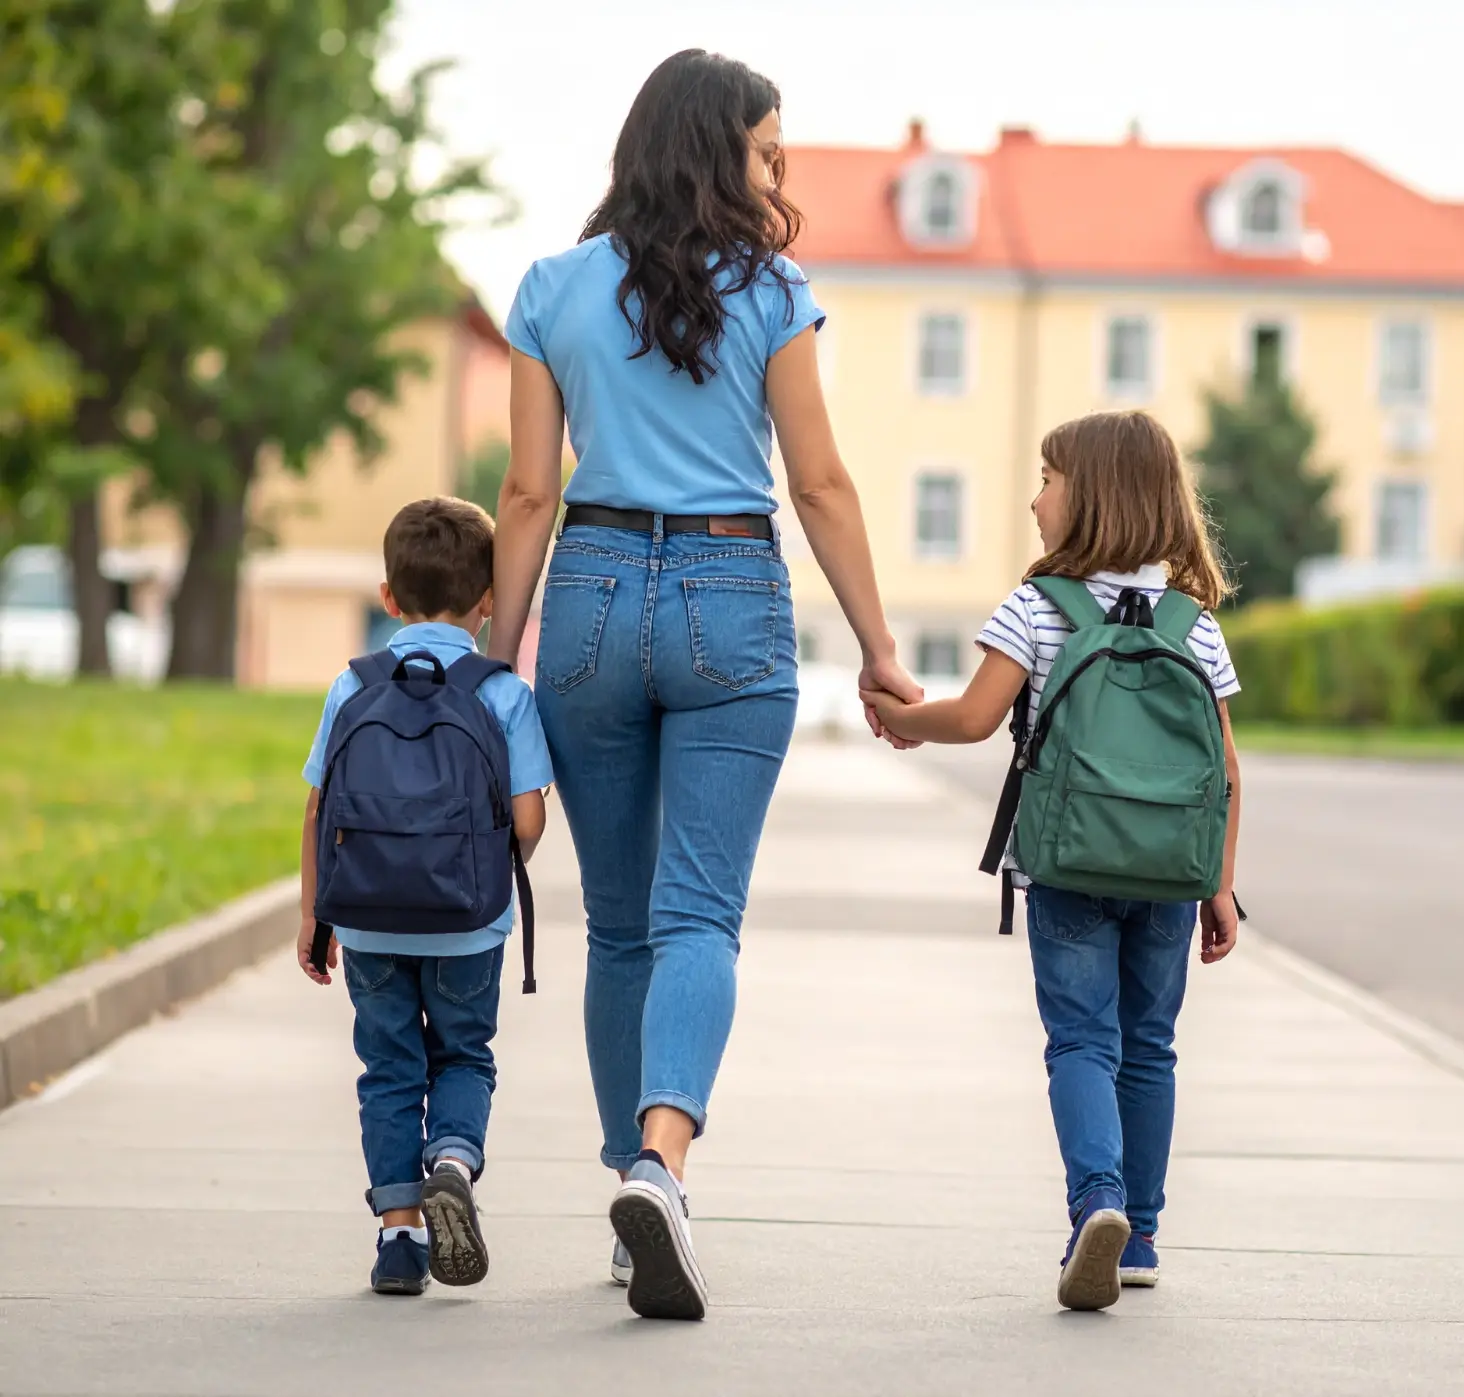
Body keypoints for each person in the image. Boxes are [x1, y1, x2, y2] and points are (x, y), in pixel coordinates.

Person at [487, 50, 919, 1321]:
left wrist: (495, 667)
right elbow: (822, 483)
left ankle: (633, 1201)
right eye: (768, 150)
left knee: (616, 925)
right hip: (731, 599)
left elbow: (526, 494)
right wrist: (881, 647)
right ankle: (661, 1168)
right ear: (710, 147)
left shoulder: (551, 286)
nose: (780, 175)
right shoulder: (775, 289)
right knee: (698, 917)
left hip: (592, 593)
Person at [862, 410, 1244, 1311]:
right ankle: (1140, 1234)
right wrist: (1220, 886)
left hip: (1067, 865)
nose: (1034, 500)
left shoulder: (1038, 606)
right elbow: (1224, 770)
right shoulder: (1194, 623)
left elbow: (970, 717)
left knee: (1080, 1038)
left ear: (1091, 497)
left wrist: (896, 717)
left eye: (1047, 479)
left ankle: (1095, 1204)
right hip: (1169, 877)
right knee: (1148, 1046)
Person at [298, 497, 552, 1296]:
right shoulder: (502, 693)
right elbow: (527, 815)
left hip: (369, 920)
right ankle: (452, 1156)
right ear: (487, 603)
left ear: (387, 597)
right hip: (467, 927)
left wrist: (316, 914)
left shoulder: (352, 686)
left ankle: (399, 1236)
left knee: (388, 1068)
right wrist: (487, 874)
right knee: (463, 1055)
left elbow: (317, 806)